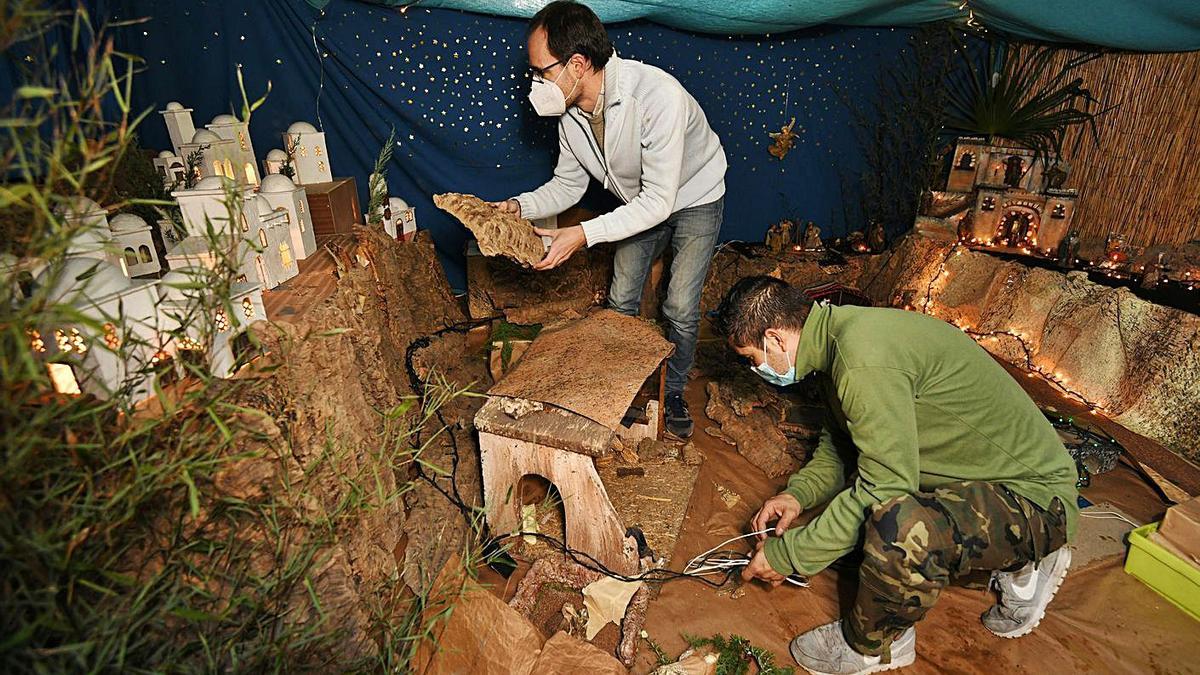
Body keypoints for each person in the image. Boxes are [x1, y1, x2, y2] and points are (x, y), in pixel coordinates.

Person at [715, 276, 1078, 675]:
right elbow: (841, 444)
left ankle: (876, 645)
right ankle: (1018, 566)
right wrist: (798, 495)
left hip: (1036, 500)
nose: (758, 369)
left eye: (753, 358)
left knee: (898, 529)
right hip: (984, 482)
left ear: (775, 338)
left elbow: (885, 487)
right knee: (851, 547)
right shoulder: (839, 338)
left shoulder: (861, 358)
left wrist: (788, 555)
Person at [491, 0, 728, 438]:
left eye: (541, 72)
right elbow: (567, 186)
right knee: (621, 299)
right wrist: (519, 207)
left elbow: (660, 202)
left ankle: (673, 390)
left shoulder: (658, 97)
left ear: (577, 64)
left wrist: (582, 234)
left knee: (677, 304)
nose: (535, 83)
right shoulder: (570, 115)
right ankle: (621, 387)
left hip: (695, 197)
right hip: (642, 200)